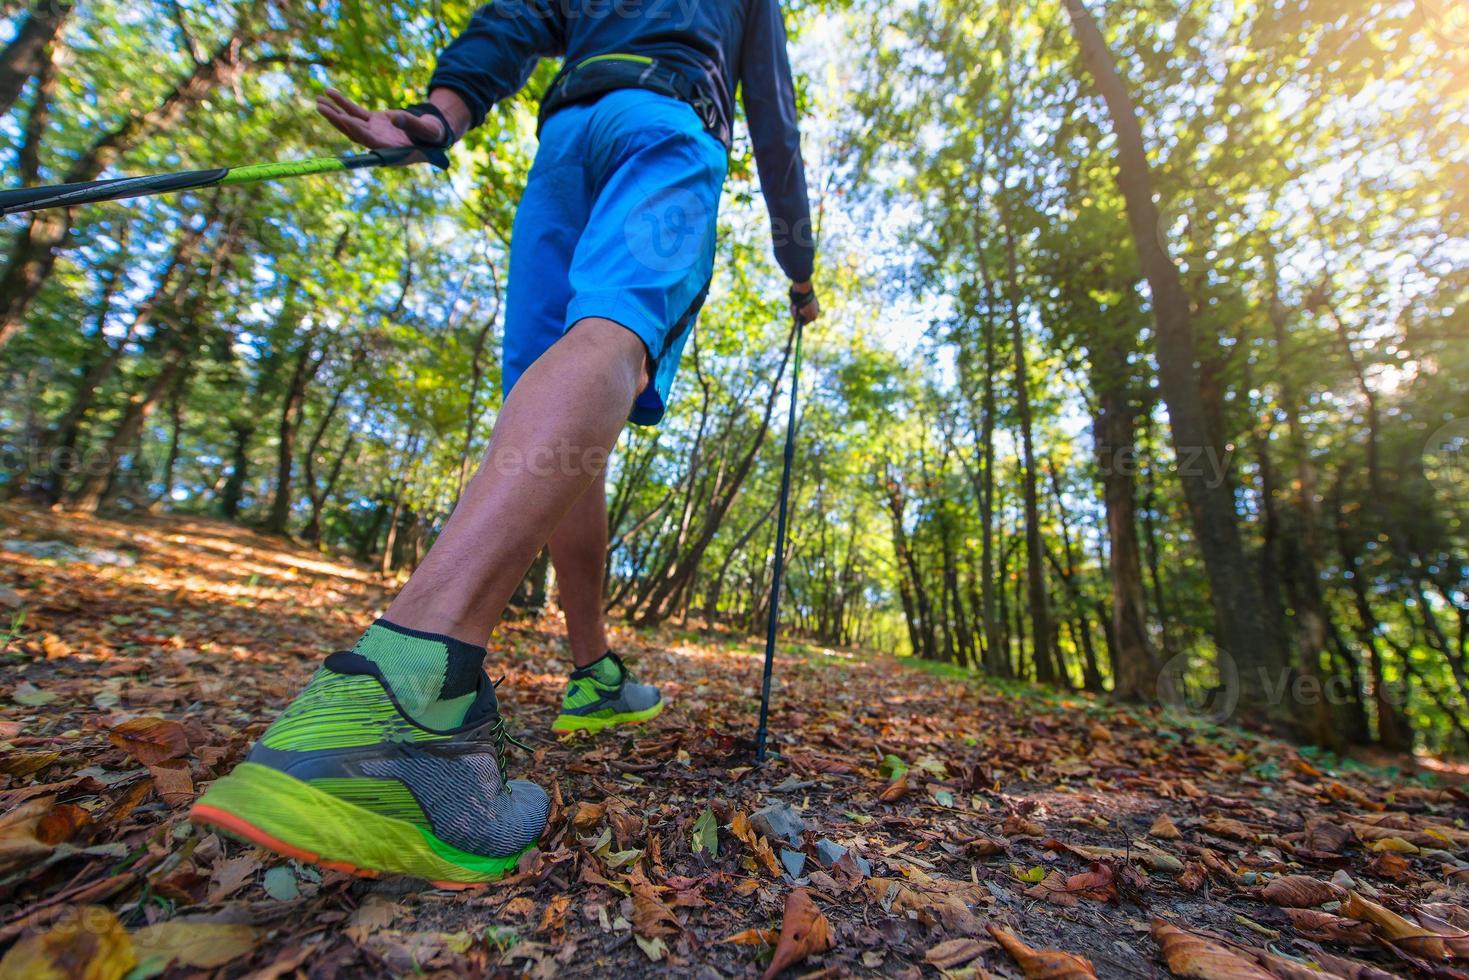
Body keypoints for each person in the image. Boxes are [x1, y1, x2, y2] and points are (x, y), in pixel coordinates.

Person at [190, 0, 819, 884]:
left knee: (559, 389)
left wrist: (443, 112)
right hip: (661, 120)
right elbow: (775, 122)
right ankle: (407, 690)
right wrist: (798, 266)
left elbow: (516, 16)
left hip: (564, 144)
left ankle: (592, 667)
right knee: (613, 340)